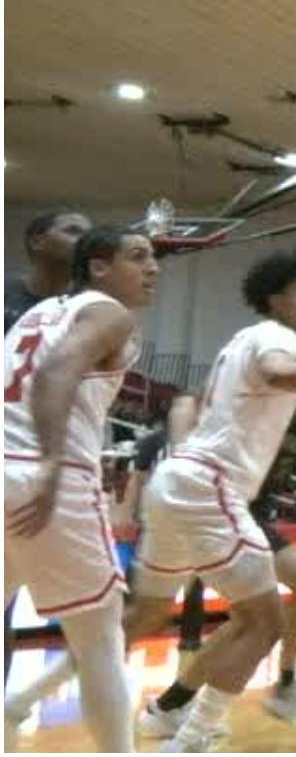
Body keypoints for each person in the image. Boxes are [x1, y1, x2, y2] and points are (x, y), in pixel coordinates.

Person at [96, 250, 296, 753]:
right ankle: (203, 725)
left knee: (176, 613)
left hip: (220, 498)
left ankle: (165, 706)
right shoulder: (278, 348)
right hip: (217, 495)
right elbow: (215, 392)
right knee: (260, 618)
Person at [1, 225, 155, 752]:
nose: (152, 269)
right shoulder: (110, 313)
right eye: (137, 257)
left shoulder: (36, 312)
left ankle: (10, 713)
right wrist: (47, 465)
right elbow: (56, 374)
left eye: (153, 258)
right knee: (101, 641)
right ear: (97, 268)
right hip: (46, 477)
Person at [130, 395, 208, 652]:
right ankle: (127, 631)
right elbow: (140, 479)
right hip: (156, 520)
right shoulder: (152, 442)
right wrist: (135, 511)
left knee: (195, 588)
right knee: (142, 587)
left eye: (188, 406)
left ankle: (190, 638)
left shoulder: (205, 444)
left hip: (195, 524)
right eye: (178, 404)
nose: (182, 410)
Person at [4, 210, 92, 333]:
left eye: (88, 235)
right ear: (37, 242)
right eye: (73, 231)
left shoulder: (91, 304)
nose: (85, 241)